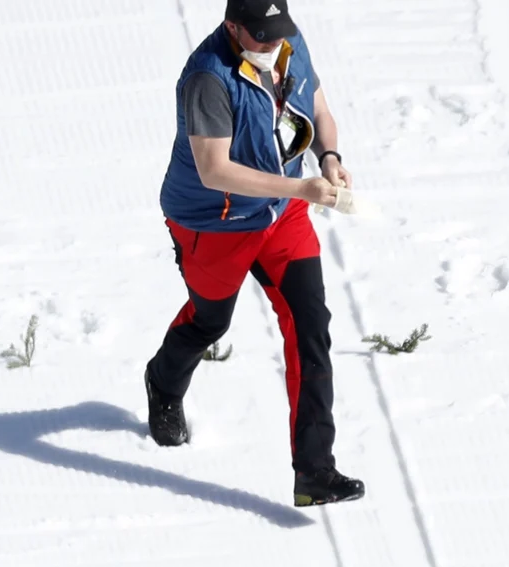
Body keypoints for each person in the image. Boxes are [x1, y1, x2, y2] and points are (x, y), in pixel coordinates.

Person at [148, 0, 364, 507]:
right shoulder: (209, 78)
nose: (273, 44)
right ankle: (162, 380)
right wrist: (299, 190)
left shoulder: (287, 44)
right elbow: (214, 170)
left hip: (282, 213)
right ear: (232, 28)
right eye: (262, 37)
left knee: (310, 327)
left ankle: (315, 472)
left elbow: (321, 110)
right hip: (214, 221)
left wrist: (328, 157)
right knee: (209, 322)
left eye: (278, 33)